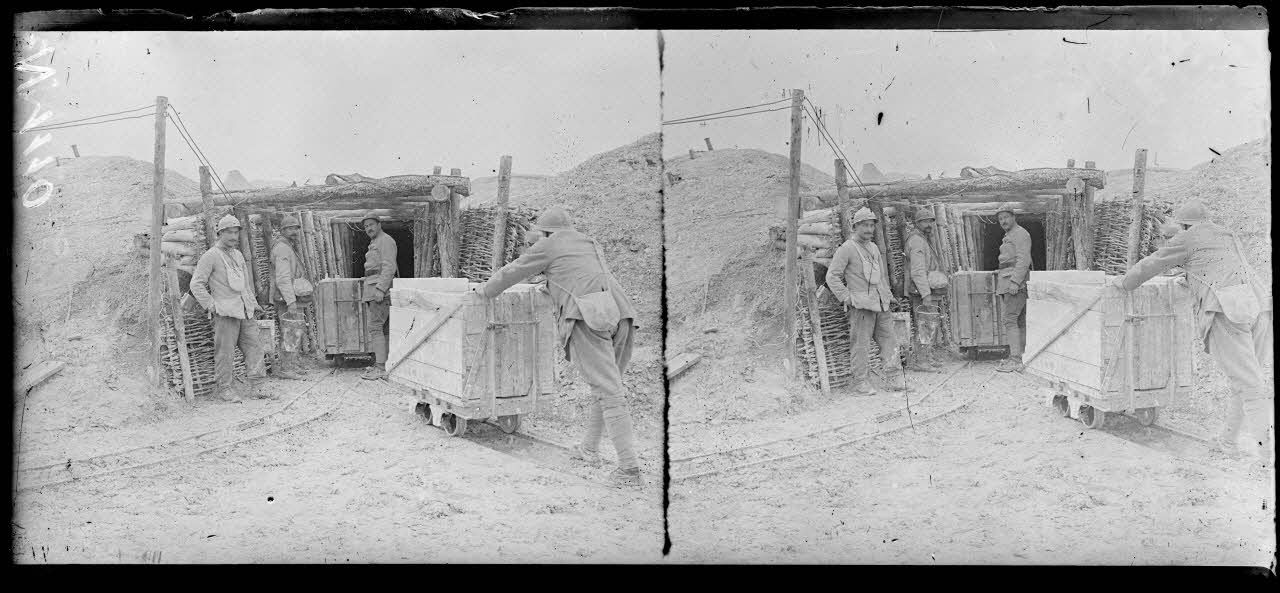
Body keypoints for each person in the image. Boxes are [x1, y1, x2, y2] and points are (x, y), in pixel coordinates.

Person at [475, 206, 644, 488]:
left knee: (610, 393)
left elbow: (513, 272)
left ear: (546, 232)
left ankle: (629, 470)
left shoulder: (549, 244)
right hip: (621, 313)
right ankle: (589, 448)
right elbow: (580, 277)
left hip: (588, 316)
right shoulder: (588, 242)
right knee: (607, 388)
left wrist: (485, 290)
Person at [1116, 199, 1273, 463]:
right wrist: (1189, 277)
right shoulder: (1226, 233)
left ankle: (1268, 454)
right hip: (1258, 304)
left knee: (1250, 384)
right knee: (1246, 380)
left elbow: (1151, 264)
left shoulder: (1187, 238)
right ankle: (1228, 441)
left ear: (1184, 225)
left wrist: (1124, 283)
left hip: (1227, 308)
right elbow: (1217, 266)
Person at [189, 214, 272, 402]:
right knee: (225, 352)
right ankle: (225, 389)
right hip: (225, 313)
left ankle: (258, 387)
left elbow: (245, 284)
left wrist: (252, 303)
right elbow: (196, 284)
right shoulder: (210, 256)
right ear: (220, 233)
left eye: (236, 232)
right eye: (229, 233)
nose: (234, 236)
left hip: (245, 311)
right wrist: (212, 305)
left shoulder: (238, 254)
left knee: (255, 348)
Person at [826, 206, 905, 396]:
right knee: (861, 345)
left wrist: (887, 295)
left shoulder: (874, 247)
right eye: (865, 226)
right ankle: (861, 382)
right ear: (855, 226)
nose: (869, 229)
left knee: (889, 341)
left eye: (871, 225)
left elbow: (881, 276)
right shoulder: (847, 248)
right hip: (861, 306)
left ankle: (894, 378)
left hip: (881, 304)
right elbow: (832, 277)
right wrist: (847, 297)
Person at [904, 207, 948, 372]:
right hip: (922, 291)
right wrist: (926, 294)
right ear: (917, 223)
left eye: (931, 221)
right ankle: (921, 361)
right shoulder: (916, 241)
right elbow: (917, 271)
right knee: (925, 324)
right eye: (925, 221)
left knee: (929, 324)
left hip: (927, 290)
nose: (929, 224)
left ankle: (926, 357)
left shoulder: (923, 239)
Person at [269, 214, 309, 380]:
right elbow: (283, 278)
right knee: (290, 331)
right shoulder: (282, 248)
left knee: (293, 331)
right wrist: (291, 301)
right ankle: (286, 368)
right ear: (283, 230)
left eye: (296, 228)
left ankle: (291, 364)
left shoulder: (288, 246)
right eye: (291, 228)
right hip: (285, 298)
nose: (295, 231)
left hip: (290, 296)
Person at [360, 212, 398, 381]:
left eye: (371, 225)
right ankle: (385, 363)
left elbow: (389, 266)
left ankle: (380, 367)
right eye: (366, 226)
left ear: (379, 224)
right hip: (372, 287)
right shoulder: (374, 242)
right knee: (383, 328)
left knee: (376, 327)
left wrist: (381, 289)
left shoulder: (386, 241)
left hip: (379, 291)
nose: (368, 228)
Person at [995, 204, 1033, 373]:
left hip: (1014, 283)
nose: (1003, 221)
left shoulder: (1020, 234)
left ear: (1013, 217)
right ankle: (1022, 356)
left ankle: (1016, 359)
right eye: (1000, 218)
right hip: (1008, 280)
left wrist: (1016, 282)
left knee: (1010, 319)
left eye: (1006, 217)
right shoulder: (1010, 235)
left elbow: (1024, 260)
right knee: (1018, 320)